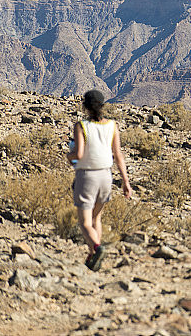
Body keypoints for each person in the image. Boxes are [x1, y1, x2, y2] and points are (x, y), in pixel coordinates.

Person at [66, 90, 132, 271]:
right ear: (102, 106)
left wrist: (68, 156)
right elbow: (118, 155)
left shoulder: (81, 126)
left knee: (85, 223)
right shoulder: (112, 125)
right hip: (106, 176)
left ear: (85, 106)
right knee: (97, 219)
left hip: (87, 176)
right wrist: (125, 181)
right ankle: (93, 256)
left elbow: (78, 154)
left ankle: (97, 248)